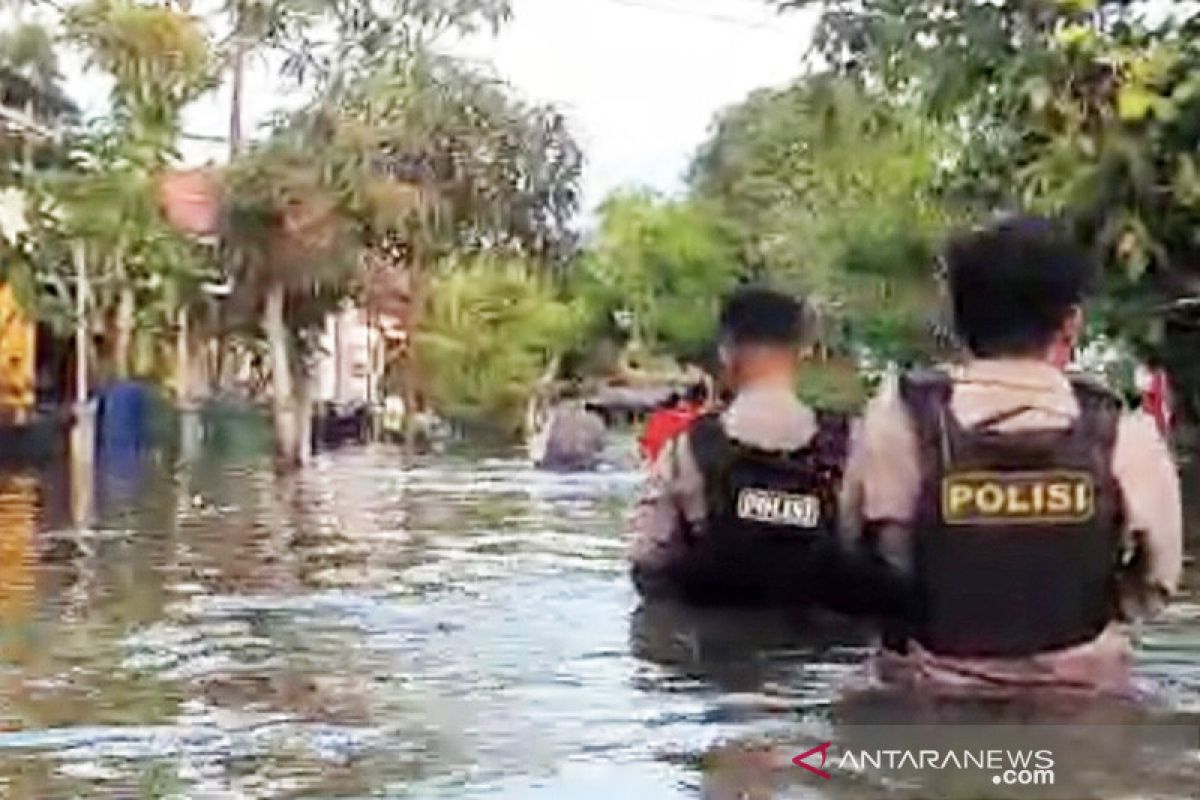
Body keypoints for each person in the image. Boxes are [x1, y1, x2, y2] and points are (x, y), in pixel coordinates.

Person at [841, 216, 1182, 696]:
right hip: (1084, 699)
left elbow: (858, 552)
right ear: (1071, 323)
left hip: (930, 698)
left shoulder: (897, 417)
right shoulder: (1123, 430)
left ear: (958, 322)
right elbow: (1156, 580)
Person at [629, 286, 851, 606]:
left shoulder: (687, 449)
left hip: (711, 643)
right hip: (818, 639)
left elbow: (647, 557)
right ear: (802, 351)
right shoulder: (848, 443)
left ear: (726, 353)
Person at [639, 382, 710, 464]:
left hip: (653, 464)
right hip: (672, 467)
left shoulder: (658, 415)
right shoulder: (697, 421)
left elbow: (644, 448)